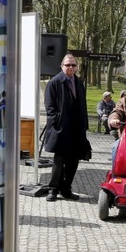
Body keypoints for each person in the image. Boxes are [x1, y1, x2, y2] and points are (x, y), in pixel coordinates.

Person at [43, 54, 88, 201]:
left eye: (73, 65)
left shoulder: (79, 81)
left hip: (76, 129)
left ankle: (66, 189)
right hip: (61, 128)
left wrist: (84, 124)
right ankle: (53, 189)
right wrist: (56, 122)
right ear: (62, 66)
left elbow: (83, 105)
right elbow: (50, 107)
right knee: (59, 160)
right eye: (68, 65)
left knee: (73, 161)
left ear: (77, 67)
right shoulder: (55, 82)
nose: (71, 67)